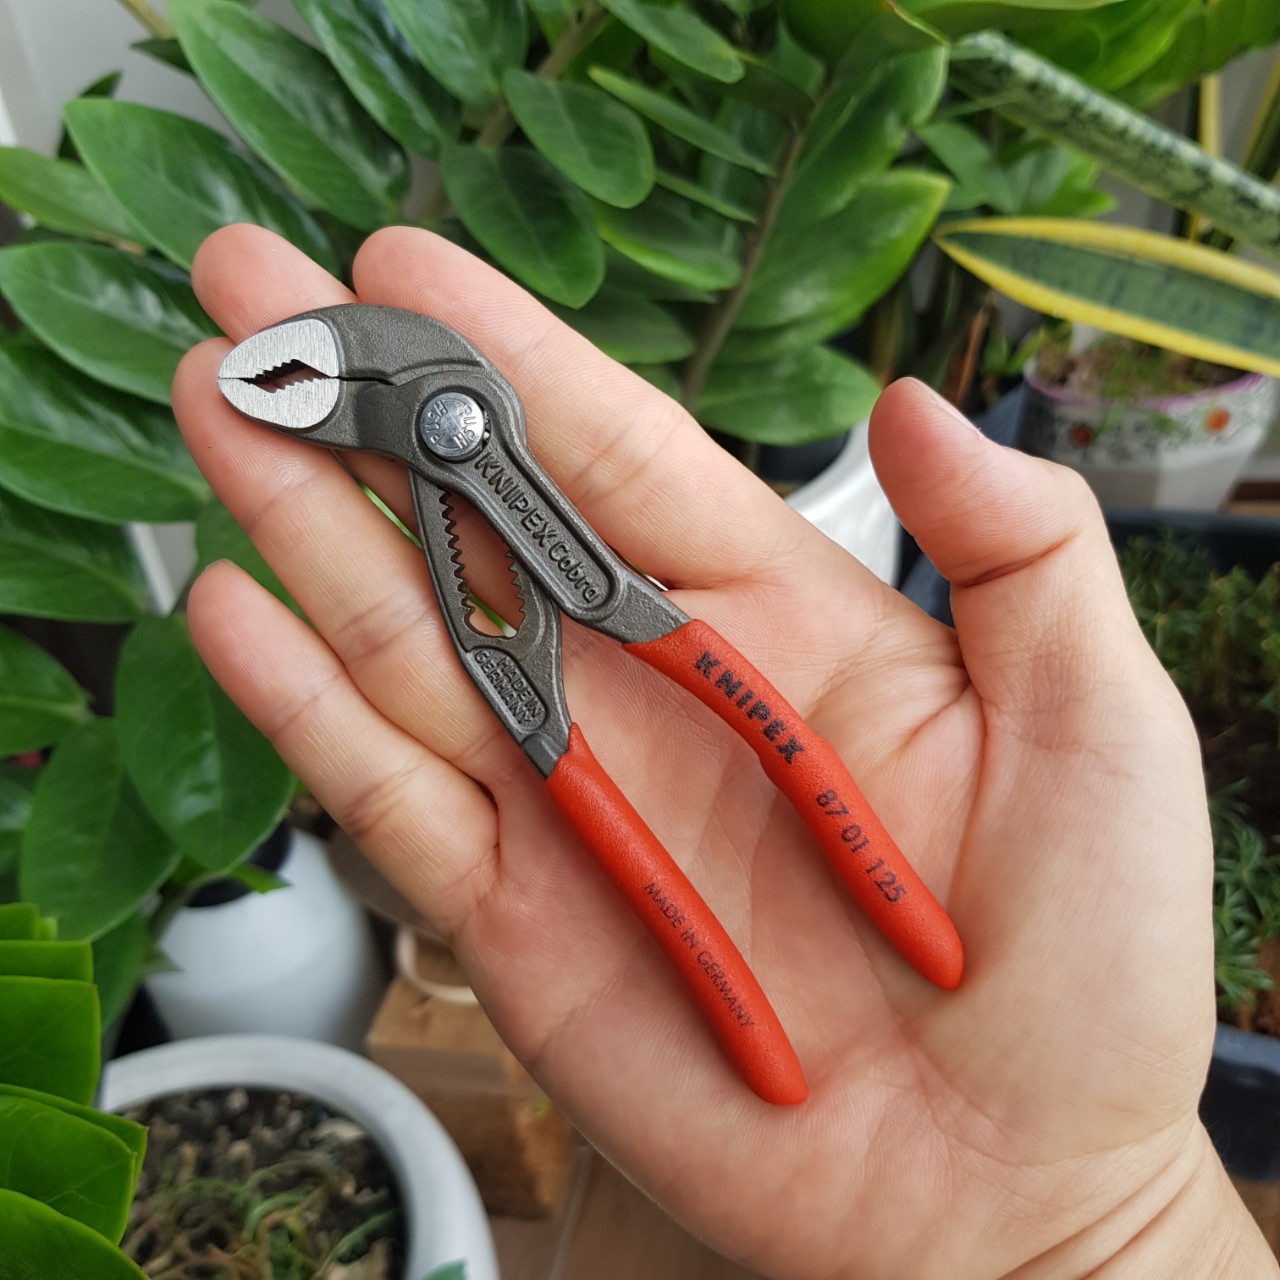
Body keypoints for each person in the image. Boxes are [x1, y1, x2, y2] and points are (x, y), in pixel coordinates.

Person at [174, 224, 1278, 1279]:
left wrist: (1111, 1222)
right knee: (669, 766)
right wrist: (1116, 1228)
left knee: (729, 742)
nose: (443, 430)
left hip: (607, 600)